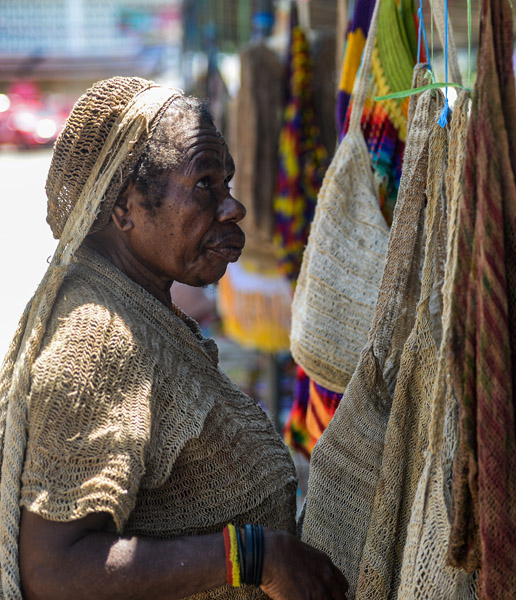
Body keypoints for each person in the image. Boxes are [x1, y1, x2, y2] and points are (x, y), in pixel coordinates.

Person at [0, 77, 348, 599]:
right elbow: (53, 570)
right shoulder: (99, 336)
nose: (233, 208)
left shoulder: (138, 306)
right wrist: (258, 557)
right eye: (204, 185)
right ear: (124, 208)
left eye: (226, 184)